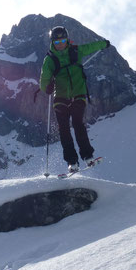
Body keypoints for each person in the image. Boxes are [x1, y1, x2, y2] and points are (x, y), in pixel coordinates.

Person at [39, 26, 110, 172]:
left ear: (67, 39)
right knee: (64, 129)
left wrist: (104, 44)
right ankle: (72, 162)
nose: (60, 44)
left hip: (78, 94)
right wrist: (47, 87)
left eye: (63, 40)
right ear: (53, 42)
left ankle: (88, 156)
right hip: (60, 97)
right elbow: (44, 78)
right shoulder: (50, 59)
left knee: (78, 124)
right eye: (57, 42)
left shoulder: (76, 51)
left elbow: (91, 47)